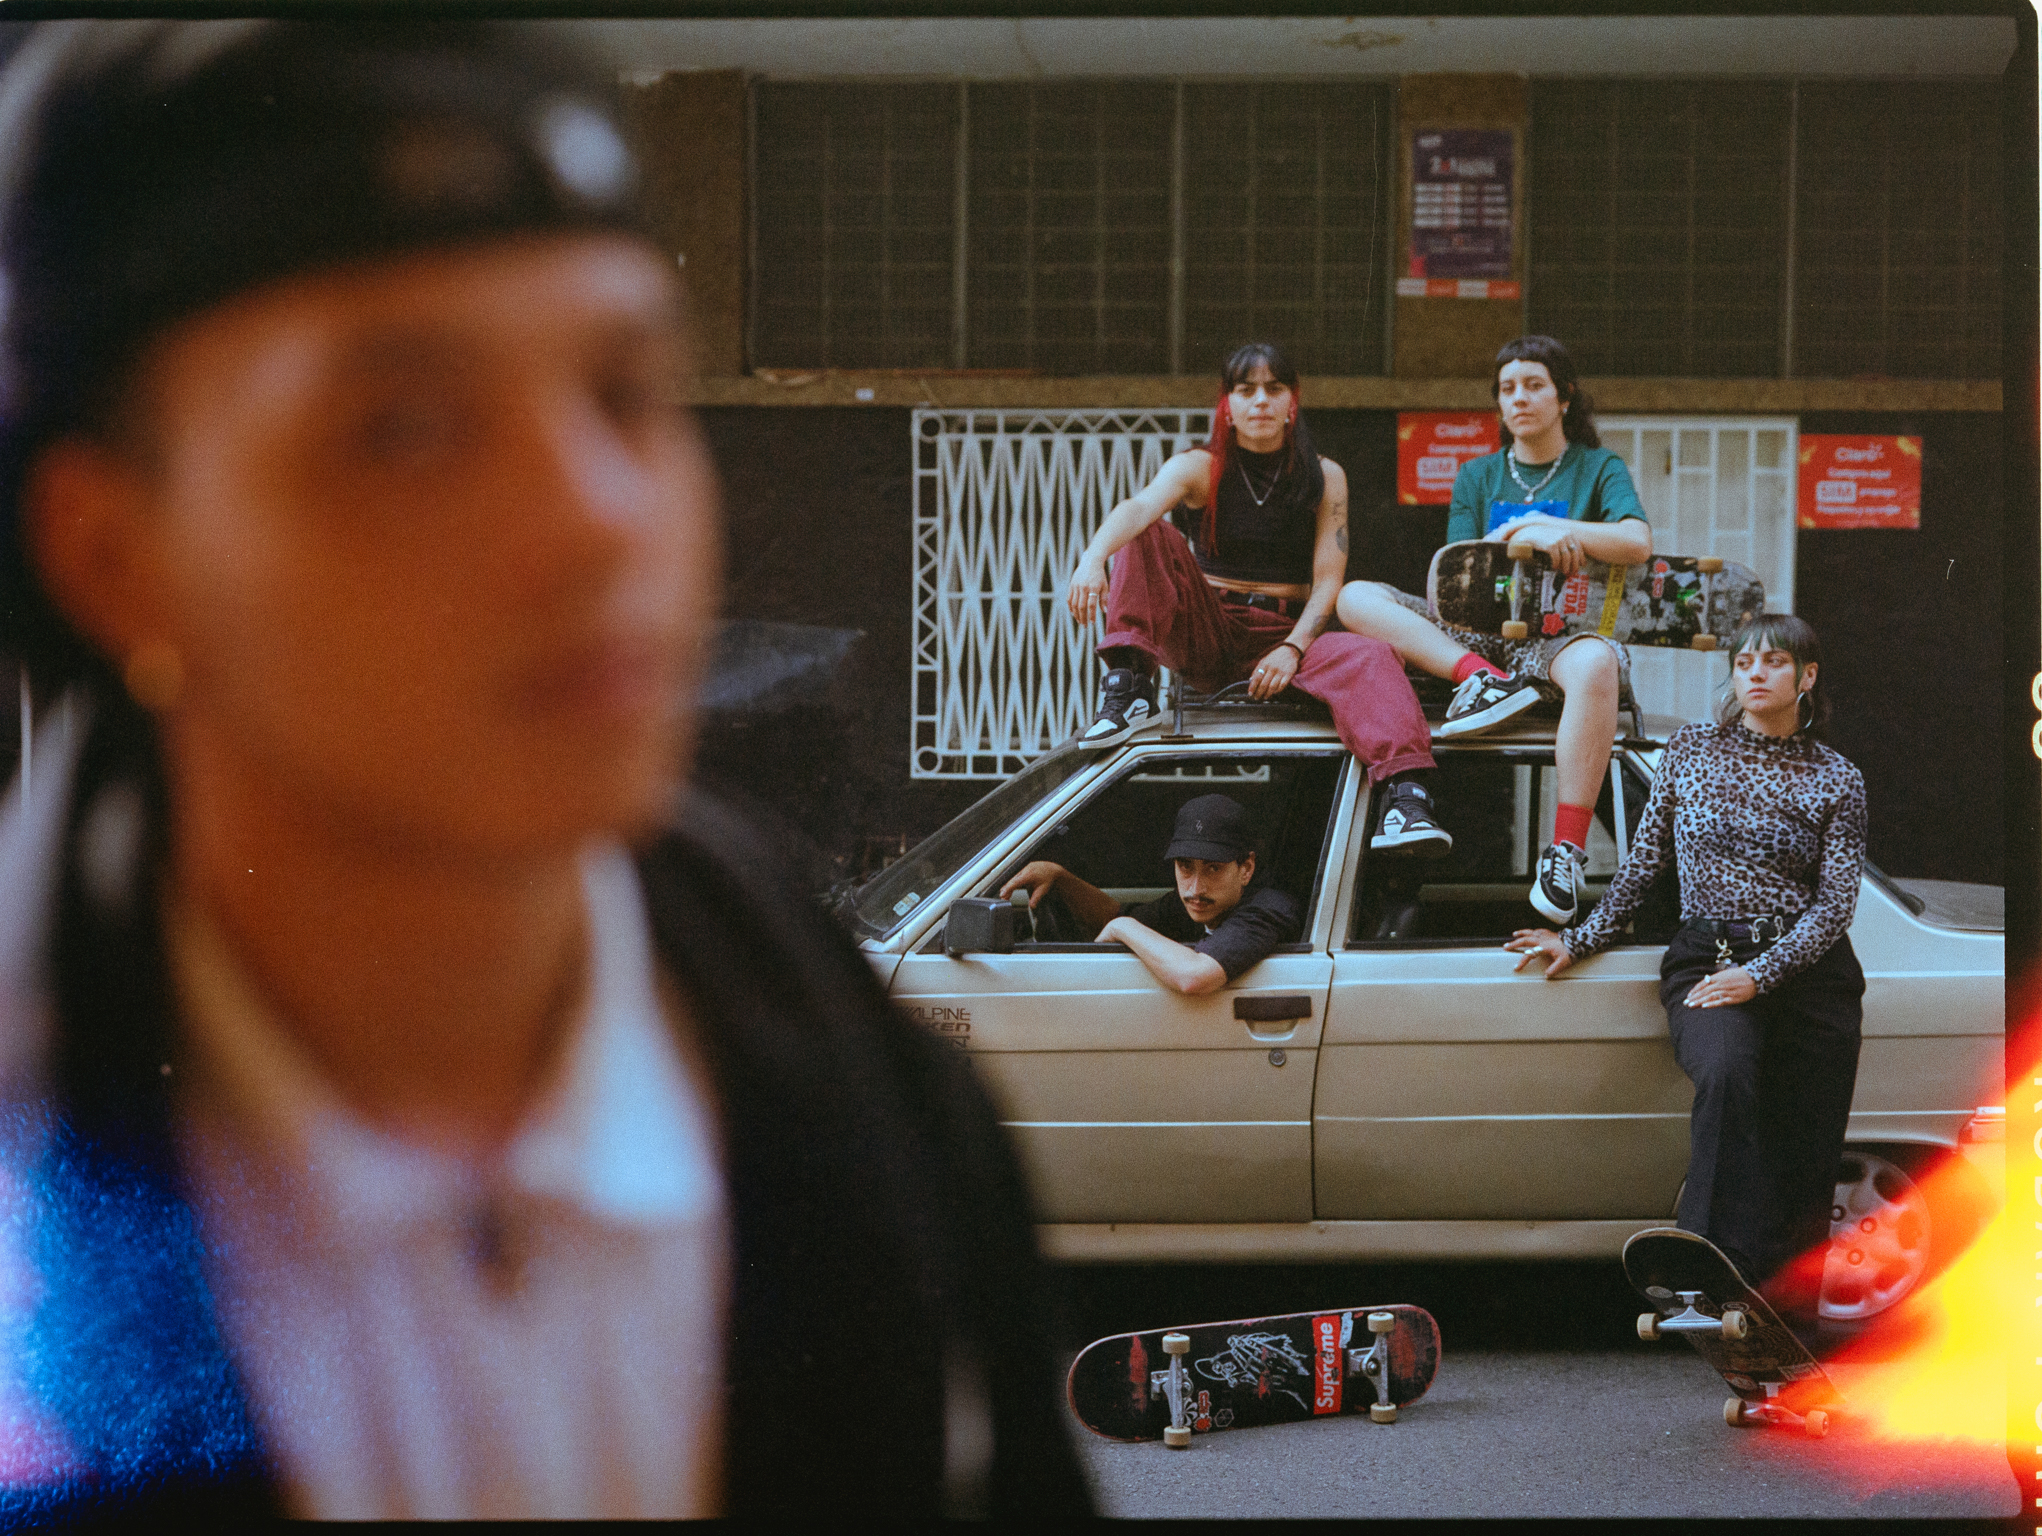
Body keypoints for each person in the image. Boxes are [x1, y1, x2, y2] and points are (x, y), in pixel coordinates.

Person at [0, 22, 1090, 1520]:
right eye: (400, 428)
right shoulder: (34, 1239)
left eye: (629, 391)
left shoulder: (864, 1107)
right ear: (113, 556)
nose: (594, 517)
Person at [1504, 616, 1865, 1333]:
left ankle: (1786, 1326)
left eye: (1773, 662)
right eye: (1743, 661)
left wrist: (1761, 977)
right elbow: (1644, 866)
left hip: (1809, 974)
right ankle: (1706, 1276)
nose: (1755, 673)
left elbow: (1834, 907)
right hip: (1708, 958)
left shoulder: (1838, 778)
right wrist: (1577, 940)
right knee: (1726, 1073)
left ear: (1807, 677)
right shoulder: (1692, 751)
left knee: (1805, 1142)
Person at [1067, 342, 1450, 856]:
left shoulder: (1324, 475)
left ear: (1294, 400)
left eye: (1274, 388)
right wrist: (1093, 557)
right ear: (1227, 403)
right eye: (1245, 390)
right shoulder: (1199, 467)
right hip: (1209, 625)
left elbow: (1328, 581)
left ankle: (1405, 798)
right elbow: (1139, 508)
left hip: (1285, 636)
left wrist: (1292, 648)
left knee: (1373, 654)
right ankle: (1130, 686)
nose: (1261, 402)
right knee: (1147, 533)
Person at [1335, 335, 1651, 920]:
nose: (1519, 399)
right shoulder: (1478, 475)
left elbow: (1636, 541)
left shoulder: (1597, 466)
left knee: (1598, 663)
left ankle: (1564, 854)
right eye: (1508, 389)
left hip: (1553, 638)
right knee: (1355, 597)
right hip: (1473, 632)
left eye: (1534, 385)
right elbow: (1454, 573)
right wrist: (1518, 536)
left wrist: (1558, 528)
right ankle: (1479, 681)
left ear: (1564, 397)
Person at [1000, 794, 1300, 996]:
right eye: (1185, 867)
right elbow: (1115, 917)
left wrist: (1123, 929)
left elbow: (1193, 977)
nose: (1195, 888)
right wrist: (1060, 877)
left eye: (1213, 869)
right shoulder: (1199, 902)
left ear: (1245, 868)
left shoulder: (1267, 909)